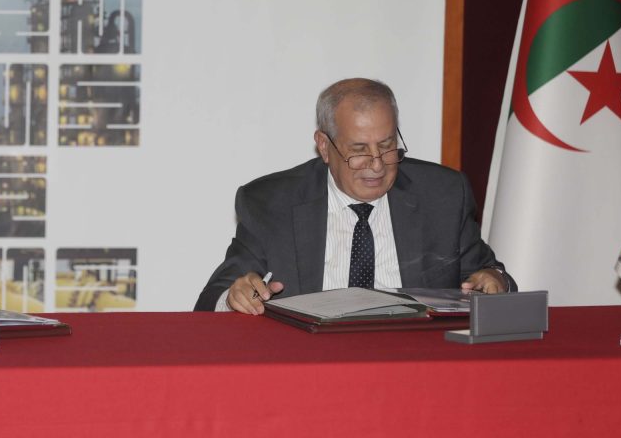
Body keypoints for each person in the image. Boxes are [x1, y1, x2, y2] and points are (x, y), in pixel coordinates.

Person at [195, 78, 515, 314]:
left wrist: (494, 280)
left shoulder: (442, 195)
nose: (377, 165)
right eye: (359, 150)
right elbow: (212, 299)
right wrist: (234, 298)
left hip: (413, 362)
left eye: (387, 146)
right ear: (324, 146)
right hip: (312, 367)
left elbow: (489, 275)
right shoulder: (270, 203)